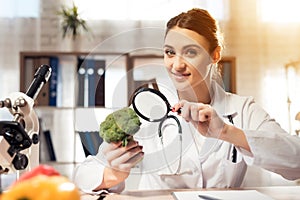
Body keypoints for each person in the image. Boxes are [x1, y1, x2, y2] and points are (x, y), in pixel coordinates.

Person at [72, 8, 300, 193]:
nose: (177, 65)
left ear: (215, 55)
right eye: (170, 52)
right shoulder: (146, 110)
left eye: (190, 52)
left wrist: (227, 133)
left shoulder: (242, 110)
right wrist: (112, 173)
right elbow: (83, 174)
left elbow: (296, 161)